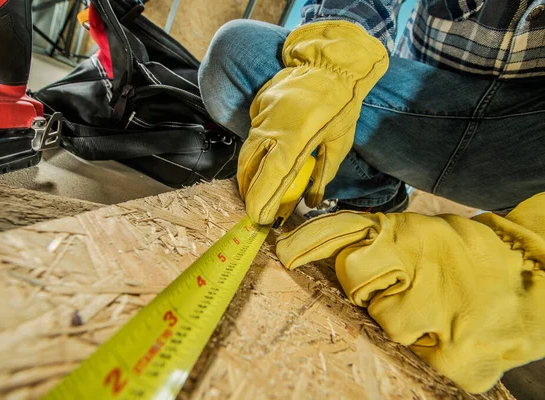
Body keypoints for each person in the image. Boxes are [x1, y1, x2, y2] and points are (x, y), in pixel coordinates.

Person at [197, 0, 545, 394]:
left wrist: (527, 268)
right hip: (424, 102)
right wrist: (330, 67)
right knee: (240, 53)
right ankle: (370, 197)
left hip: (531, 150)